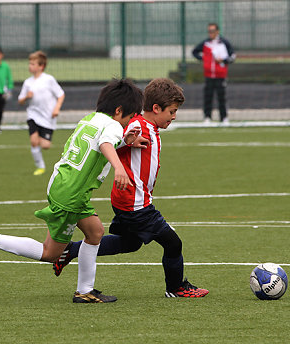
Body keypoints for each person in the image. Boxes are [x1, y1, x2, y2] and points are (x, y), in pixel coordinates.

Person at [0, 79, 147, 303]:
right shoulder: (114, 126)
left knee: (95, 233)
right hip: (72, 192)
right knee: (51, 253)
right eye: (131, 116)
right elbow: (105, 143)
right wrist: (119, 168)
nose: (129, 122)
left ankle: (85, 290)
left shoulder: (90, 119)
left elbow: (98, 142)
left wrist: (124, 142)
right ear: (119, 111)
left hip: (65, 184)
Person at [52, 78, 209, 298]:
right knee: (173, 243)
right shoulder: (137, 124)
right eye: (172, 112)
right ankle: (176, 287)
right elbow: (114, 139)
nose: (174, 117)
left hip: (129, 200)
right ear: (156, 108)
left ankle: (70, 250)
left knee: (130, 243)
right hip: (136, 204)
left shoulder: (149, 126)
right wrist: (126, 142)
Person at [18, 51, 65, 176]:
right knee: (34, 141)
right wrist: (26, 97)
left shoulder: (49, 80)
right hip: (33, 115)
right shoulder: (27, 82)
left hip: (47, 117)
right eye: (29, 63)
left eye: (33, 64)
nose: (30, 66)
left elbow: (60, 94)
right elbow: (20, 101)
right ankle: (40, 166)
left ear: (41, 66)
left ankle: (41, 138)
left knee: (45, 145)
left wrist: (57, 108)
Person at [192, 23, 236, 124]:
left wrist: (223, 61)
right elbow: (195, 52)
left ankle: (224, 117)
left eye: (212, 31)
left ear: (217, 31)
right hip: (208, 75)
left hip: (220, 75)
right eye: (209, 31)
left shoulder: (224, 43)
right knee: (208, 96)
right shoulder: (206, 43)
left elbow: (232, 56)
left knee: (221, 97)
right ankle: (207, 117)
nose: (210, 33)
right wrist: (203, 59)